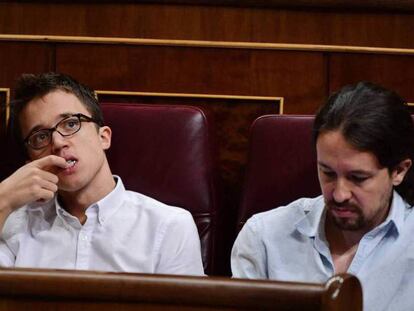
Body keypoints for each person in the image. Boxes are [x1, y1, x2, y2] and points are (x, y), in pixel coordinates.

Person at [231, 81, 414, 309]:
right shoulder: (264, 238)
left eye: (358, 178)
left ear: (399, 171)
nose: (339, 195)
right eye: (327, 173)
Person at [0, 72, 204, 275]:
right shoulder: (14, 226)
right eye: (40, 136)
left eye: (71, 123)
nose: (58, 142)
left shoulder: (168, 227)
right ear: (30, 162)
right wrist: (3, 198)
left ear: (103, 137)